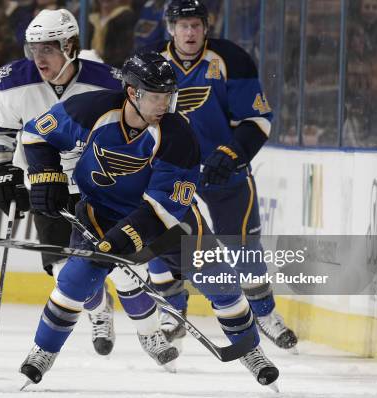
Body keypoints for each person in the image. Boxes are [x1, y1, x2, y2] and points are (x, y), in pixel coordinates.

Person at [17, 51, 279, 388]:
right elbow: (35, 136)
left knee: (220, 281)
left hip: (168, 221)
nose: (165, 105)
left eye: (169, 96)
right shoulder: (89, 110)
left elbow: (163, 209)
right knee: (74, 281)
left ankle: (250, 350)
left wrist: (122, 240)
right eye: (157, 96)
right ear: (132, 93)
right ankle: (43, 351)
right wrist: (45, 176)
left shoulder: (178, 135)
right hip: (100, 211)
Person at [0, 9, 176, 364]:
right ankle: (98, 312)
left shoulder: (109, 82)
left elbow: (137, 129)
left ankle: (150, 333)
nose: (38, 58)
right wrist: (3, 170)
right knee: (62, 270)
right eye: (32, 49)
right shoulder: (10, 82)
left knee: (125, 267)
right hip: (46, 182)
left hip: (99, 184)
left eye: (48, 49)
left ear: (70, 46)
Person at [144, 0, 298, 351]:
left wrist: (231, 153)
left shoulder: (232, 59)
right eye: (182, 25)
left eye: (196, 25)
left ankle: (264, 313)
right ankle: (172, 310)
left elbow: (257, 120)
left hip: (223, 169)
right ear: (170, 28)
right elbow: (133, 115)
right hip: (169, 171)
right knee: (159, 238)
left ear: (206, 27)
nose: (190, 32)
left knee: (243, 243)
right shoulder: (149, 61)